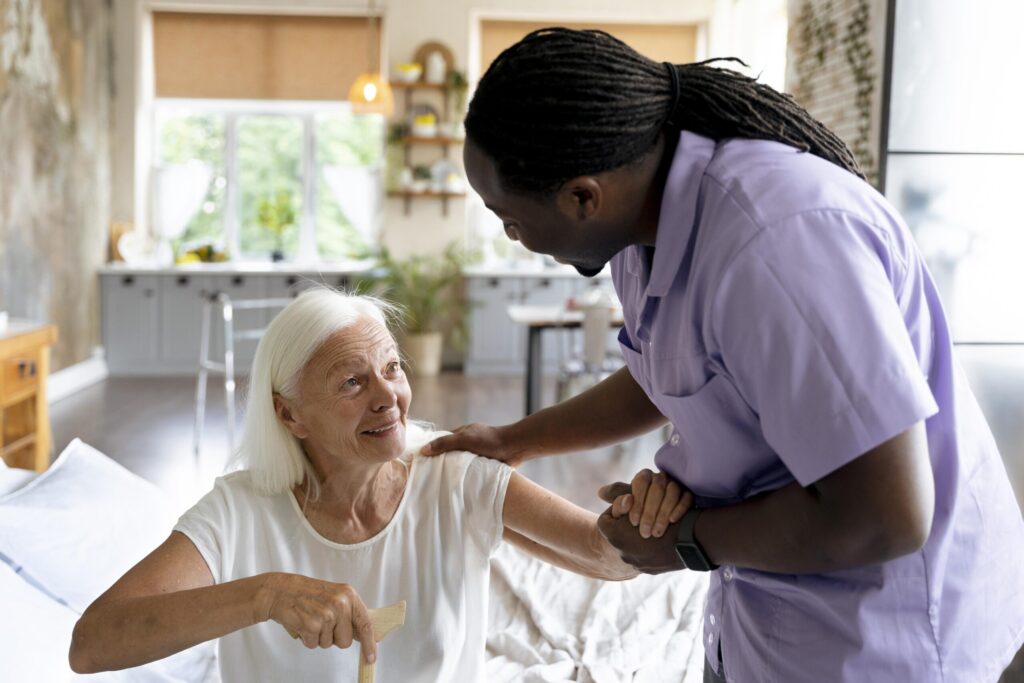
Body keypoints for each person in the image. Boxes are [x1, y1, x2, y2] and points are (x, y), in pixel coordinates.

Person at [422, 27, 1024, 682]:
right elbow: (664, 373)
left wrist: (684, 541)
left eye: (509, 218)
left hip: (882, 637)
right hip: (762, 615)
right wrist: (514, 440)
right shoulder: (638, 231)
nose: (512, 237)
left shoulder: (778, 246)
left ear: (583, 196)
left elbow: (886, 515)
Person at [68, 288, 638, 682]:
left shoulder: (454, 475)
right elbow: (91, 644)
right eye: (351, 382)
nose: (388, 397)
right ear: (289, 415)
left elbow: (608, 557)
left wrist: (646, 514)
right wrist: (266, 596)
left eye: (392, 368)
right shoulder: (238, 510)